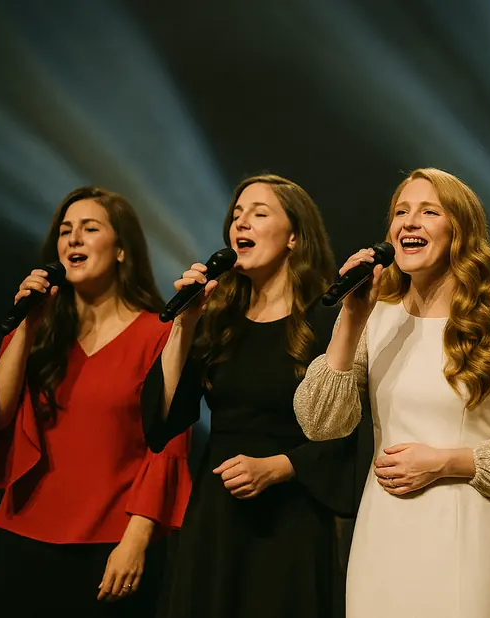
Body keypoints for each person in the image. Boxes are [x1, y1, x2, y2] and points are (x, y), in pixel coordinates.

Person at [293, 168, 490, 618]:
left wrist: (445, 462)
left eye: (428, 212)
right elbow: (320, 423)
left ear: (458, 230)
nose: (409, 223)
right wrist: (351, 319)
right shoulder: (375, 318)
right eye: (401, 212)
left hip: (469, 529)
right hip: (384, 532)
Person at [141, 174, 367, 618]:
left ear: (294, 237)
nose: (241, 224)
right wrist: (185, 324)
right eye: (237, 215)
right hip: (216, 515)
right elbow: (161, 419)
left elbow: (351, 430)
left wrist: (282, 467)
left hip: (292, 517)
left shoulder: (329, 320)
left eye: (259, 214)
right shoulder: (217, 319)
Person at [0, 187, 191, 617]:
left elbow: (169, 447)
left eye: (89, 229)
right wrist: (25, 328)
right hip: (26, 532)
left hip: (110, 545)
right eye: (65, 230)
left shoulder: (158, 335)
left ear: (122, 250)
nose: (72, 239)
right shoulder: (40, 331)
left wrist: (136, 539)